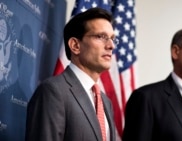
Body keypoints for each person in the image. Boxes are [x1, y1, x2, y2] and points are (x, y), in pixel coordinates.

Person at [25, 7, 118, 141]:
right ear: (75, 45)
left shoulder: (105, 102)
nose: (111, 46)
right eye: (100, 37)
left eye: (112, 39)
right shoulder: (53, 92)